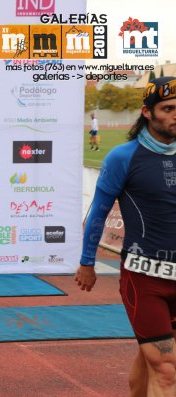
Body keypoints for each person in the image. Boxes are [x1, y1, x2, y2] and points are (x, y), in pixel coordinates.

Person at [75, 76, 176, 396]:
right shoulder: (123, 157)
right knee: (167, 368)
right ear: (148, 113)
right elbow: (97, 213)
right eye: (169, 108)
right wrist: (87, 262)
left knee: (153, 361)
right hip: (144, 279)